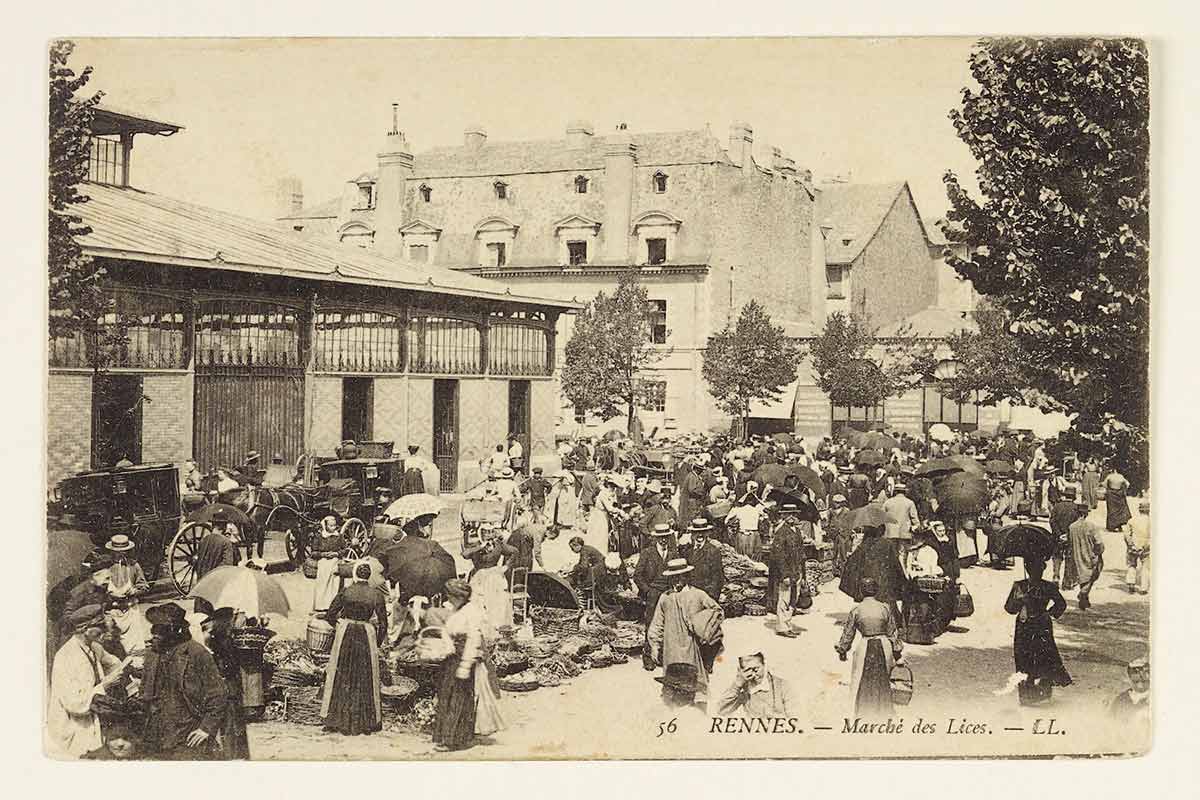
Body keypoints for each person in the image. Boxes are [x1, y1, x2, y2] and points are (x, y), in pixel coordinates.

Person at [140, 602, 228, 759]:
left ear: (174, 630)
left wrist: (206, 728)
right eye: (153, 629)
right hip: (155, 732)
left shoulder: (196, 653)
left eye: (160, 630)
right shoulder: (152, 654)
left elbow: (218, 694)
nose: (154, 634)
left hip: (187, 734)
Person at [48, 604, 132, 758]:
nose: (105, 631)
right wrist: (105, 684)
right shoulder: (66, 657)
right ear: (85, 629)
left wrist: (129, 666)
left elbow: (113, 663)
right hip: (74, 727)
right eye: (100, 627)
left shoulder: (93, 647)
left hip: (92, 720)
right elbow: (73, 703)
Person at [321, 562, 388, 736]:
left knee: (342, 674)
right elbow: (383, 623)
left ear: (356, 575)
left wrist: (338, 626)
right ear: (368, 576)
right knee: (364, 676)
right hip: (366, 635)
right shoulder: (376, 594)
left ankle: (338, 718)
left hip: (346, 633)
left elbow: (330, 615)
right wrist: (377, 642)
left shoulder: (346, 591)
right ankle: (364, 721)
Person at [648, 559, 722, 707]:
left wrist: (704, 626)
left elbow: (717, 611)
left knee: (694, 682)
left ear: (686, 576)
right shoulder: (665, 598)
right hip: (671, 647)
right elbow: (657, 623)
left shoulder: (698, 595)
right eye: (673, 577)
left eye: (680, 576)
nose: (676, 580)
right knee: (672, 685)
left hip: (691, 646)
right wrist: (655, 646)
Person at [433, 579, 494, 751]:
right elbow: (447, 631)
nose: (448, 599)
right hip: (451, 656)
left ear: (459, 597)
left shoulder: (471, 612)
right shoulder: (457, 610)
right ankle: (455, 735)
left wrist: (465, 666)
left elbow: (473, 639)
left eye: (450, 596)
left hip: (462, 657)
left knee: (458, 698)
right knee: (448, 695)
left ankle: (451, 739)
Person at [1004, 557, 1071, 705]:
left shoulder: (1046, 587)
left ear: (1042, 570)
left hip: (1038, 626)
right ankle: (1027, 694)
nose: (1035, 573)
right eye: (1032, 570)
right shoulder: (1020, 586)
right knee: (1025, 657)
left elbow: (1061, 604)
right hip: (1029, 625)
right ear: (1028, 570)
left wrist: (1049, 613)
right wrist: (1019, 601)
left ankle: (1040, 691)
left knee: (1042, 657)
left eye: (1038, 570)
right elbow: (1009, 608)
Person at [835, 578, 903, 720]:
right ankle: (884, 711)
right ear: (876, 590)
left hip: (865, 645)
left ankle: (862, 712)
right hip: (884, 645)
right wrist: (897, 654)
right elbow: (892, 632)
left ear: (861, 591)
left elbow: (848, 634)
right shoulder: (885, 608)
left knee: (859, 677)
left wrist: (843, 650)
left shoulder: (856, 610)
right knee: (884, 677)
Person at [199, 607, 249, 759]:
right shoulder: (223, 639)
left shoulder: (216, 637)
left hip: (226, 686)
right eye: (231, 619)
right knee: (230, 724)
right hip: (227, 687)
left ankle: (230, 753)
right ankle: (233, 755)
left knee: (229, 724)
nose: (233, 622)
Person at [839, 525, 907, 623]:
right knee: (890, 606)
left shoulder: (864, 545)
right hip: (884, 581)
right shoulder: (888, 544)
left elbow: (852, 563)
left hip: (868, 583)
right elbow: (895, 564)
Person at [632, 524, 677, 671]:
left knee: (668, 625)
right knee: (651, 624)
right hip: (653, 593)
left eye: (666, 537)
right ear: (656, 538)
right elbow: (637, 575)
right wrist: (647, 590)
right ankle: (648, 657)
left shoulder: (674, 553)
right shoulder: (647, 553)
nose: (664, 540)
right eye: (661, 537)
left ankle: (662, 655)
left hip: (669, 593)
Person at [716, 652, 795, 718]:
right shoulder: (744, 688)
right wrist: (737, 684)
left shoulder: (782, 685)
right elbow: (721, 711)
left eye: (756, 669)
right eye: (747, 670)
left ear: (764, 665)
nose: (753, 674)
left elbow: (794, 717)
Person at [768, 504, 808, 637]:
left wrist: (804, 574)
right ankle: (782, 627)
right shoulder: (781, 532)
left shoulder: (797, 531)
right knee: (784, 598)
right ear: (783, 516)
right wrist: (784, 574)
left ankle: (787, 624)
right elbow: (778, 555)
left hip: (797, 570)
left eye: (794, 514)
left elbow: (802, 553)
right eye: (788, 514)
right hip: (786, 571)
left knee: (793, 599)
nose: (792, 517)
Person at [1063, 498, 1104, 610]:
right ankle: (1083, 593)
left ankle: (1085, 598)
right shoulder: (1091, 526)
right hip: (1090, 555)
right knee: (1092, 574)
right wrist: (1100, 551)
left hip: (1077, 555)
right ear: (1086, 514)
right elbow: (1099, 542)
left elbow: (1069, 542)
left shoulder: (1072, 527)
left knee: (1083, 575)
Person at [311, 516, 347, 613]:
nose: (333, 528)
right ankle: (320, 605)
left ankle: (332, 605)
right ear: (325, 526)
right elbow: (313, 552)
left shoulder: (339, 536)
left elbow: (344, 550)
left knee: (334, 583)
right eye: (331, 526)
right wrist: (322, 554)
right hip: (323, 561)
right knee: (322, 582)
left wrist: (337, 554)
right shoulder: (319, 537)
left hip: (334, 561)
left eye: (334, 525)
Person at [686, 518, 725, 604]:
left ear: (707, 533)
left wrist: (711, 598)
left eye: (703, 532)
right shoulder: (688, 551)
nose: (700, 535)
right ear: (692, 534)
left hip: (706, 596)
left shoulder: (713, 551)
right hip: (690, 596)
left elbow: (718, 578)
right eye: (697, 532)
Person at [195, 509, 238, 580]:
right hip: (216, 583)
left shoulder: (203, 540)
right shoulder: (226, 542)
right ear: (224, 526)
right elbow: (227, 566)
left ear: (213, 525)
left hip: (202, 582)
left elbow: (197, 563)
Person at [1048, 492, 1078, 587]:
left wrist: (1059, 534)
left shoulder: (1057, 506)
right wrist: (1067, 535)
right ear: (1074, 497)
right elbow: (1077, 524)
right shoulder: (1076, 508)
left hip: (1057, 537)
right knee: (1069, 558)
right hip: (1070, 537)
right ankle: (1067, 582)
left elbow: (1052, 521)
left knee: (1057, 556)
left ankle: (1056, 576)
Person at [882, 483, 920, 557]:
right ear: (905, 492)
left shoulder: (888, 502)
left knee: (891, 554)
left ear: (895, 492)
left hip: (890, 532)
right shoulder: (910, 502)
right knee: (903, 555)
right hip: (904, 532)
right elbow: (914, 519)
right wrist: (916, 526)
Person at [1108, 657, 1150, 724]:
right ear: (1129, 678)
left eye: (1144, 677)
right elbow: (1109, 723)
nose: (1140, 682)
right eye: (1136, 679)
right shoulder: (1121, 699)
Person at [1124, 500, 1151, 595]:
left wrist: (1130, 544)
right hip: (1146, 547)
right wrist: (1147, 545)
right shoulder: (1151, 521)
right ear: (1148, 510)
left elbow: (1127, 534)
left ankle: (1131, 583)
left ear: (1139, 510)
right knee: (1145, 567)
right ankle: (1144, 588)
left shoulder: (1132, 520)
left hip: (1133, 546)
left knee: (1132, 565)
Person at [1103, 466, 1133, 532]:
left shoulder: (1110, 476)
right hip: (1119, 493)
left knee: (1112, 510)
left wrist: (1108, 488)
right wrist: (1122, 489)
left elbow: (1104, 484)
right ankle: (1119, 525)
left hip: (1111, 493)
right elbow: (1128, 484)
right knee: (1120, 510)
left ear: (1114, 470)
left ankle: (1112, 526)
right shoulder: (1121, 476)